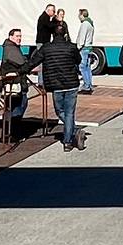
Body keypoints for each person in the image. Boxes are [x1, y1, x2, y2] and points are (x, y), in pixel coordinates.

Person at [32, 16, 85, 151]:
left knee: (60, 111)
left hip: (56, 85)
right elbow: (78, 60)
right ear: (65, 34)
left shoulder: (46, 48)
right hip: (71, 84)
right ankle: (72, 133)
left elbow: (33, 61)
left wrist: (21, 71)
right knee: (69, 112)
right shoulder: (71, 47)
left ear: (52, 34)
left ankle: (68, 140)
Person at [0, 27, 31, 143]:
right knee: (17, 107)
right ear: (11, 37)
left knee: (12, 107)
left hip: (13, 83)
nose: (19, 38)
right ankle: (12, 133)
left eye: (20, 36)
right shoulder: (11, 49)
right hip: (13, 84)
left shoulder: (11, 47)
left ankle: (9, 133)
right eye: (17, 36)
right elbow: (22, 63)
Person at [73, 9, 99, 94]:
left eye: (79, 15)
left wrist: (78, 47)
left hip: (83, 48)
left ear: (82, 15)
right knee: (87, 68)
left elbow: (82, 38)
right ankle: (89, 84)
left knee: (82, 67)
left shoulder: (84, 24)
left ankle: (86, 86)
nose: (78, 17)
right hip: (89, 48)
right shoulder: (90, 24)